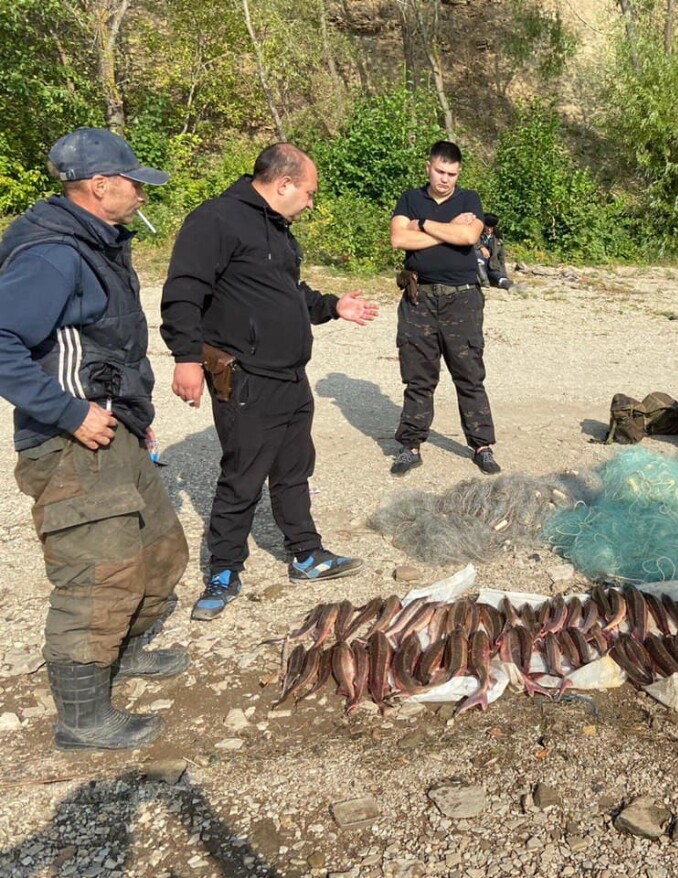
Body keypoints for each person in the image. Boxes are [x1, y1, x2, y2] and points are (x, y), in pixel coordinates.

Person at [0, 128, 190, 751]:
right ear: (99, 185)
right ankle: (81, 720)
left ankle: (127, 652)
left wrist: (132, 413)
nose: (141, 191)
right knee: (97, 575)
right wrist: (68, 413)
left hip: (115, 429)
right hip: (71, 445)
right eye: (133, 181)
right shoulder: (53, 253)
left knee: (159, 551)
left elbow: (103, 347)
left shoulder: (97, 244)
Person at [161, 143, 380, 622]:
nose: (310, 203)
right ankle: (222, 570)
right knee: (242, 477)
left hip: (290, 377)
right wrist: (185, 359)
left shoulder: (277, 231)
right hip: (247, 379)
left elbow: (288, 292)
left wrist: (332, 308)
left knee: (293, 470)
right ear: (283, 184)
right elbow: (182, 291)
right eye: (309, 193)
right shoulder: (216, 219)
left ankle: (305, 554)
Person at [389, 140, 500, 477]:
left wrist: (421, 225)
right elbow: (398, 239)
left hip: (462, 299)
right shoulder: (411, 198)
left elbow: (470, 238)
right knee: (418, 377)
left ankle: (482, 446)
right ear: (428, 167)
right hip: (418, 297)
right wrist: (449, 230)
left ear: (458, 173)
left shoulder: (470, 200)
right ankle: (410, 446)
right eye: (440, 171)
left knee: (469, 375)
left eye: (452, 173)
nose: (445, 179)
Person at [476, 212, 514, 290]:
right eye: (487, 227)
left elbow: (501, 259)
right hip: (478, 266)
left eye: (492, 227)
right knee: (477, 254)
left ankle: (506, 283)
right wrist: (481, 247)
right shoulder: (476, 234)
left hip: (493, 265)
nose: (489, 230)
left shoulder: (498, 239)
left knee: (499, 277)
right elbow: (471, 243)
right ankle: (484, 282)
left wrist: (504, 274)